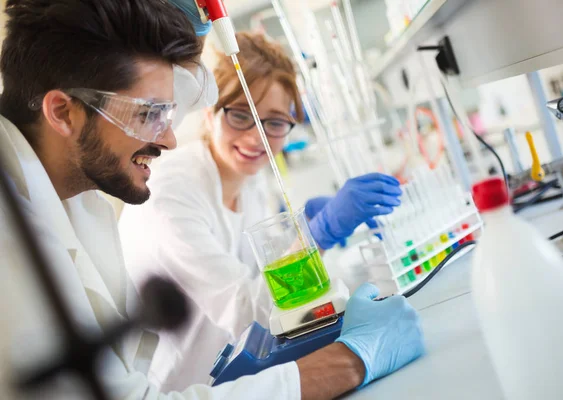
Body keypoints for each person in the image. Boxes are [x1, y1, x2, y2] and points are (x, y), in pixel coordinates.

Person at [0, 1, 424, 400]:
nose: (166, 138)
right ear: (62, 112)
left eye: (166, 114)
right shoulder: (12, 241)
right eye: (149, 113)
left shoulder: (78, 197)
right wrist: (350, 362)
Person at [119, 29, 416, 389]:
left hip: (248, 375)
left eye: (274, 122)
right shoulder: (169, 193)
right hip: (193, 389)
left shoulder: (250, 179)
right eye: (241, 115)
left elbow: (267, 281)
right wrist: (320, 233)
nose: (257, 138)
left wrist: (304, 227)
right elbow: (250, 313)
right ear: (211, 113)